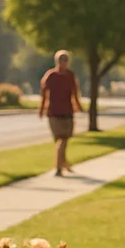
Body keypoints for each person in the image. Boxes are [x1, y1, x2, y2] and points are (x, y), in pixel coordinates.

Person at [39, 49, 84, 177]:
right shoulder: (50, 75)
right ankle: (60, 167)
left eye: (65, 59)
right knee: (59, 140)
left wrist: (79, 107)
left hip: (67, 112)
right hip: (53, 112)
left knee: (63, 140)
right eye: (61, 59)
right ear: (56, 61)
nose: (63, 62)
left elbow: (75, 93)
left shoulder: (70, 75)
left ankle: (63, 163)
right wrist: (42, 109)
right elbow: (44, 94)